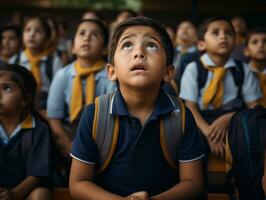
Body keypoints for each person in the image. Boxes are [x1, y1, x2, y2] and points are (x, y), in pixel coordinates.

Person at [69, 16, 204, 200]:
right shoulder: (94, 115)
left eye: (151, 45)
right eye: (127, 45)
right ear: (112, 71)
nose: (139, 52)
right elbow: (78, 183)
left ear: (168, 72)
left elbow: (193, 183)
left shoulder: (180, 116)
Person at [179, 16, 262, 157]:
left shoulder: (243, 70)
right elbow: (190, 107)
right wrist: (210, 135)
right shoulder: (193, 68)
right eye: (215, 33)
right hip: (201, 119)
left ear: (235, 42)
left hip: (234, 118)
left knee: (249, 134)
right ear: (201, 45)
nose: (223, 36)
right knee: (191, 139)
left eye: (228, 33)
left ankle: (242, 177)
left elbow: (253, 107)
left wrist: (228, 118)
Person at [47, 19, 115, 158]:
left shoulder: (112, 75)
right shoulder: (62, 75)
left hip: (102, 132)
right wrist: (67, 144)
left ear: (104, 49)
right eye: (82, 33)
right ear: (73, 47)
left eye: (94, 35)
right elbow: (54, 117)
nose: (87, 37)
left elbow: (112, 116)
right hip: (69, 132)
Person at [0, 64, 52, 200]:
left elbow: (36, 175)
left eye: (7, 88)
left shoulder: (39, 130)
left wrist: (14, 195)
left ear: (25, 100)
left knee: (41, 194)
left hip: (24, 191)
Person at [16, 15, 63, 116]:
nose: (32, 34)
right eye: (27, 30)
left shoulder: (54, 61)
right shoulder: (16, 60)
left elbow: (58, 91)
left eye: (38, 31)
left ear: (47, 38)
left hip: (47, 107)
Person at [244, 27, 266, 107]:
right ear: (246, 51)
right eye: (254, 42)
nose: (261, 45)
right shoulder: (241, 73)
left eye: (265, 41)